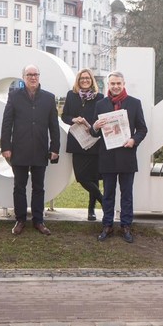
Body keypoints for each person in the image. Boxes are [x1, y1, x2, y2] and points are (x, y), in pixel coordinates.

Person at [1, 65, 60, 236]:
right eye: (29, 74)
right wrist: (6, 146)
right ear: (23, 77)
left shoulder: (49, 98)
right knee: (19, 186)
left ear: (39, 76)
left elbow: (54, 126)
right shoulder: (14, 96)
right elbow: (7, 123)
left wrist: (54, 147)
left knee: (39, 187)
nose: (33, 77)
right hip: (19, 149)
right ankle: (20, 220)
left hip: (40, 149)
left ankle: (38, 220)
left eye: (35, 74)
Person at [91, 71, 148, 243]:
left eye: (118, 83)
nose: (115, 86)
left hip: (127, 155)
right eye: (112, 83)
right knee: (108, 194)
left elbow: (142, 129)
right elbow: (94, 133)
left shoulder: (134, 103)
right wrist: (95, 126)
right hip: (107, 156)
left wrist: (133, 140)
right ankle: (107, 225)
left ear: (123, 84)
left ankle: (126, 226)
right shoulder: (100, 104)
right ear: (108, 85)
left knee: (127, 194)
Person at [61, 68, 105, 221]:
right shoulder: (71, 95)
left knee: (93, 177)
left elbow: (102, 118)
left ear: (92, 80)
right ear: (78, 80)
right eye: (82, 78)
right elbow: (64, 116)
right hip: (77, 141)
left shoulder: (100, 97)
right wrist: (73, 119)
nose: (85, 80)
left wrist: (93, 125)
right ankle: (104, 201)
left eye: (87, 78)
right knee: (81, 176)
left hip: (94, 140)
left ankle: (91, 209)